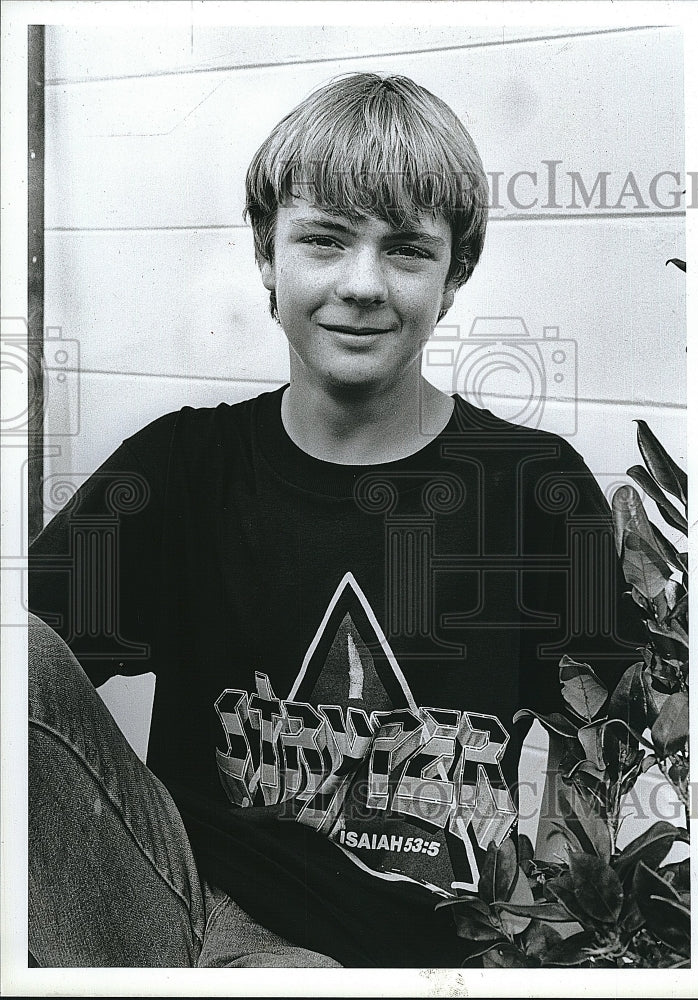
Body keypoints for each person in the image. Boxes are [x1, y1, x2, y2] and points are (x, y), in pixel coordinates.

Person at [28, 72, 643, 968]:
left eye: (406, 250)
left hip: (411, 960)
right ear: (266, 255)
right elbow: (40, 702)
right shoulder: (179, 471)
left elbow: (604, 755)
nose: (361, 285)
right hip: (182, 911)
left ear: (455, 273)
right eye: (322, 241)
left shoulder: (536, 486)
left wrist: (545, 955)